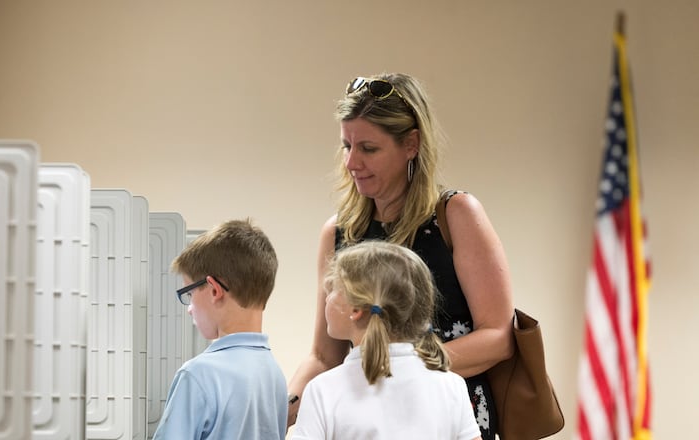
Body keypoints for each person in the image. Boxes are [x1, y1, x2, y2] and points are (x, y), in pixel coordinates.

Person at [287, 73, 515, 440]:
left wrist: (404, 375)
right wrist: (278, 412)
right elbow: (323, 357)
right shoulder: (337, 233)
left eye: (368, 148)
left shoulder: (455, 215)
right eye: (347, 146)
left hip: (448, 415)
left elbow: (499, 337)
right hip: (364, 413)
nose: (351, 162)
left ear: (411, 144)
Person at [290, 241, 481, 440]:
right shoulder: (451, 386)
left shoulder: (324, 390)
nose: (327, 299)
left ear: (356, 310)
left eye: (334, 290)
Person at [152, 218, 288, 440]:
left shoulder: (197, 375)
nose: (190, 309)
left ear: (214, 290)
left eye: (189, 294)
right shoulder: (274, 374)